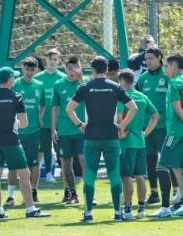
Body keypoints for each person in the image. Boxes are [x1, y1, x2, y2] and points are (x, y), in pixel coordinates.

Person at [66, 56, 137, 222]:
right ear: (106, 70)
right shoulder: (115, 86)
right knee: (114, 175)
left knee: (89, 175)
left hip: (91, 137)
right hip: (111, 137)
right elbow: (134, 107)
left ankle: (88, 213)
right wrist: (122, 125)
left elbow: (69, 109)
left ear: (92, 70)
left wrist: (80, 125)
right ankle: (117, 212)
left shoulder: (85, 87)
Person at [0, 66, 50, 219]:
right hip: (11, 140)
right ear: (10, 79)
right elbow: (24, 123)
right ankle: (30, 208)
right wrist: (15, 123)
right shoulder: (16, 97)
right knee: (25, 174)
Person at [150, 54, 183, 218]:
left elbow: (177, 108)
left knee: (161, 166)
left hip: (175, 132)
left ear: (174, 64)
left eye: (167, 65)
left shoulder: (175, 83)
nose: (165, 69)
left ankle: (165, 207)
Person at [117, 69, 160, 220]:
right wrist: (145, 133)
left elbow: (120, 120)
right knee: (140, 175)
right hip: (140, 142)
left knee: (126, 176)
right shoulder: (143, 97)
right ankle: (141, 208)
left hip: (126, 143)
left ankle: (127, 209)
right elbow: (155, 116)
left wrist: (121, 131)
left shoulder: (123, 98)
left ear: (122, 81)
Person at [5, 57, 45, 206]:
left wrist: (40, 118)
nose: (29, 72)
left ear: (36, 69)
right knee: (14, 164)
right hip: (16, 132)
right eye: (27, 69)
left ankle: (33, 191)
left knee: (34, 163)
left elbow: (42, 105)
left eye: (32, 69)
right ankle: (10, 196)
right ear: (22, 68)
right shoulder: (15, 84)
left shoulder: (39, 85)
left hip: (33, 131)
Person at [136, 47, 171, 204]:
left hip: (164, 126)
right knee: (150, 160)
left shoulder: (167, 76)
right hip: (146, 127)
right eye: (146, 59)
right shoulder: (143, 78)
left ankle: (175, 191)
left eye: (151, 58)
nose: (148, 61)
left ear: (159, 58)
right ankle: (154, 192)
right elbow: (134, 98)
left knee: (167, 160)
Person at [52, 56, 86, 204]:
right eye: (70, 68)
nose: (73, 71)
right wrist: (54, 128)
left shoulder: (85, 84)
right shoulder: (59, 84)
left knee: (85, 162)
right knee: (66, 164)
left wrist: (81, 81)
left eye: (76, 68)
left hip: (82, 130)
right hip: (64, 131)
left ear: (81, 68)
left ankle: (89, 193)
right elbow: (55, 107)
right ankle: (72, 193)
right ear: (65, 69)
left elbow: (91, 99)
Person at [34, 48, 66, 182]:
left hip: (60, 121)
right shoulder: (37, 78)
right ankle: (48, 173)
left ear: (59, 61)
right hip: (43, 120)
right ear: (45, 60)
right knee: (45, 148)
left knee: (62, 151)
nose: (52, 62)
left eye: (55, 59)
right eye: (50, 59)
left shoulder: (63, 78)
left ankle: (65, 175)